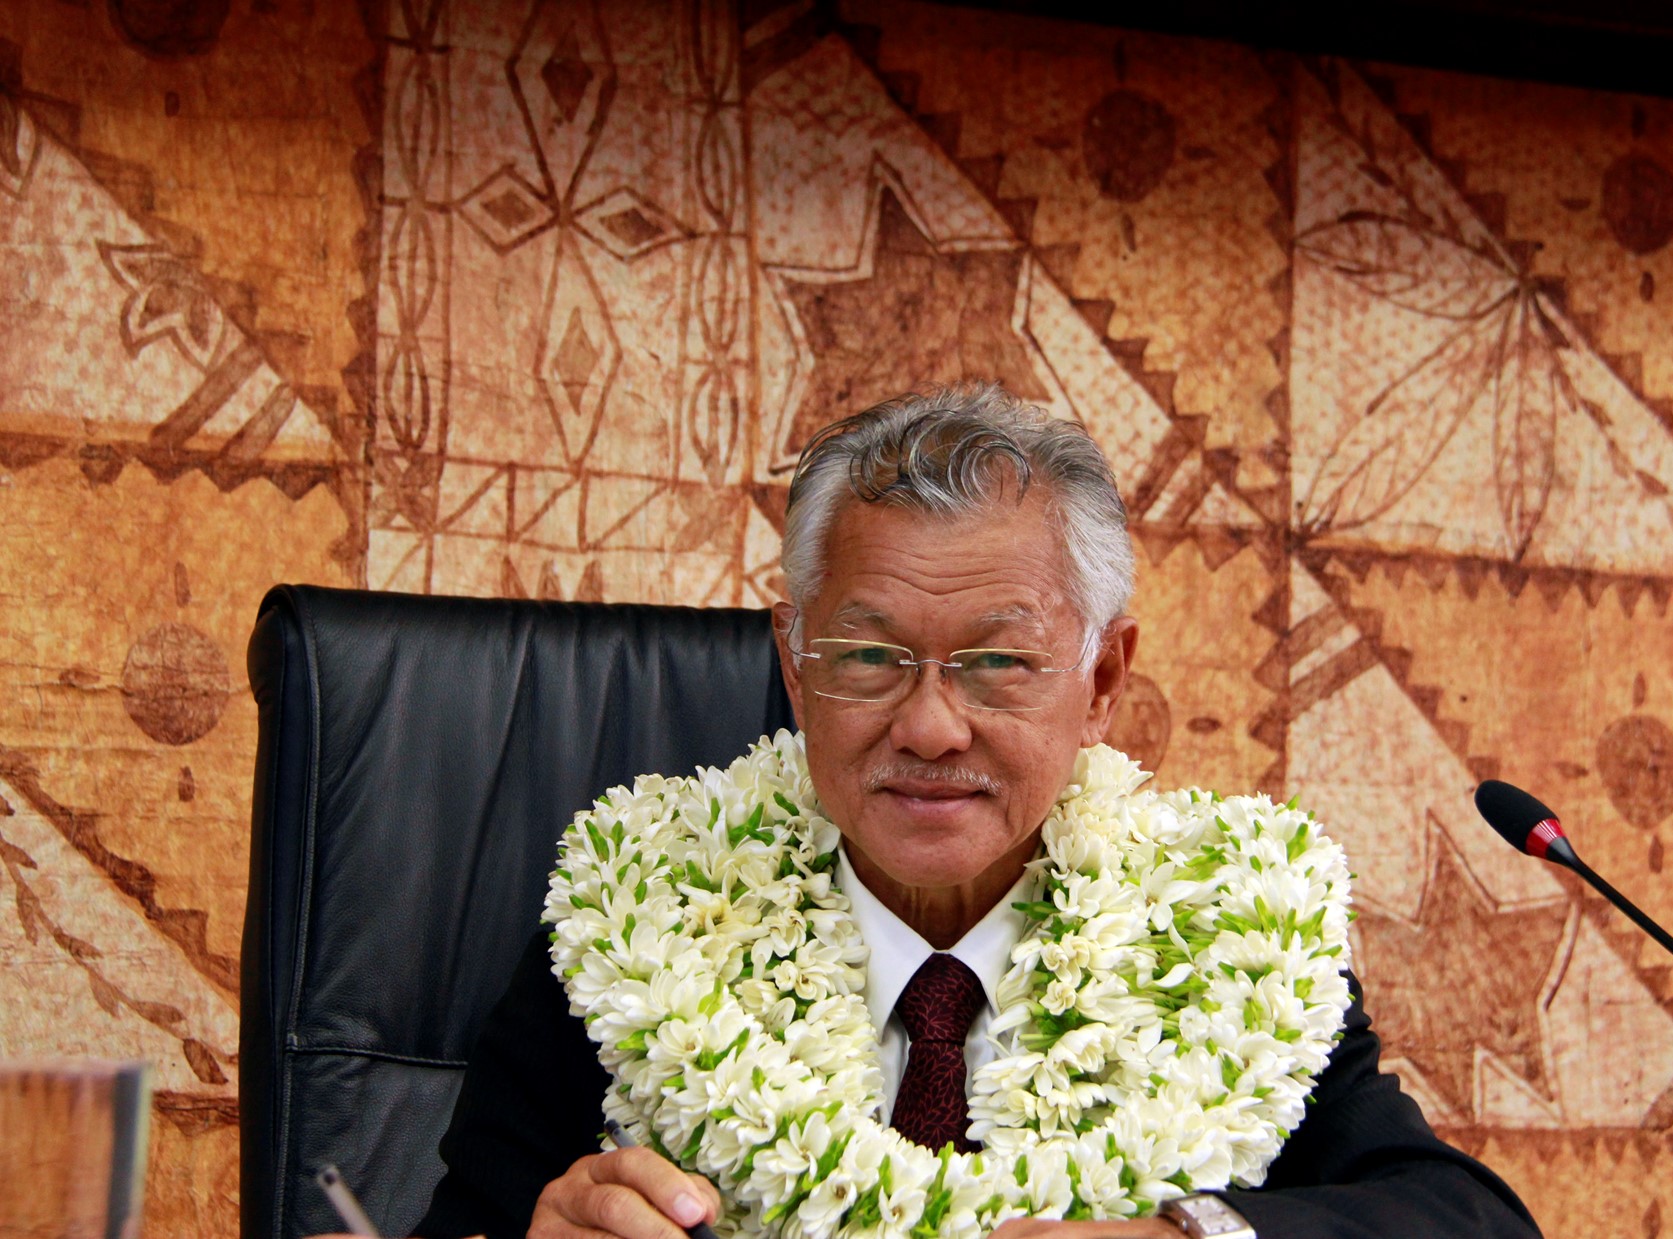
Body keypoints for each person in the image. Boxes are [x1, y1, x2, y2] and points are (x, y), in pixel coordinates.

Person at [412, 384, 1542, 1239]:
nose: (932, 728)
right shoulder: (638, 920)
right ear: (795, 671)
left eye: (1000, 663)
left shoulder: (1220, 933)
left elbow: (1467, 1219)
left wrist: (1185, 1234)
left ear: (1101, 683)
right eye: (866, 657)